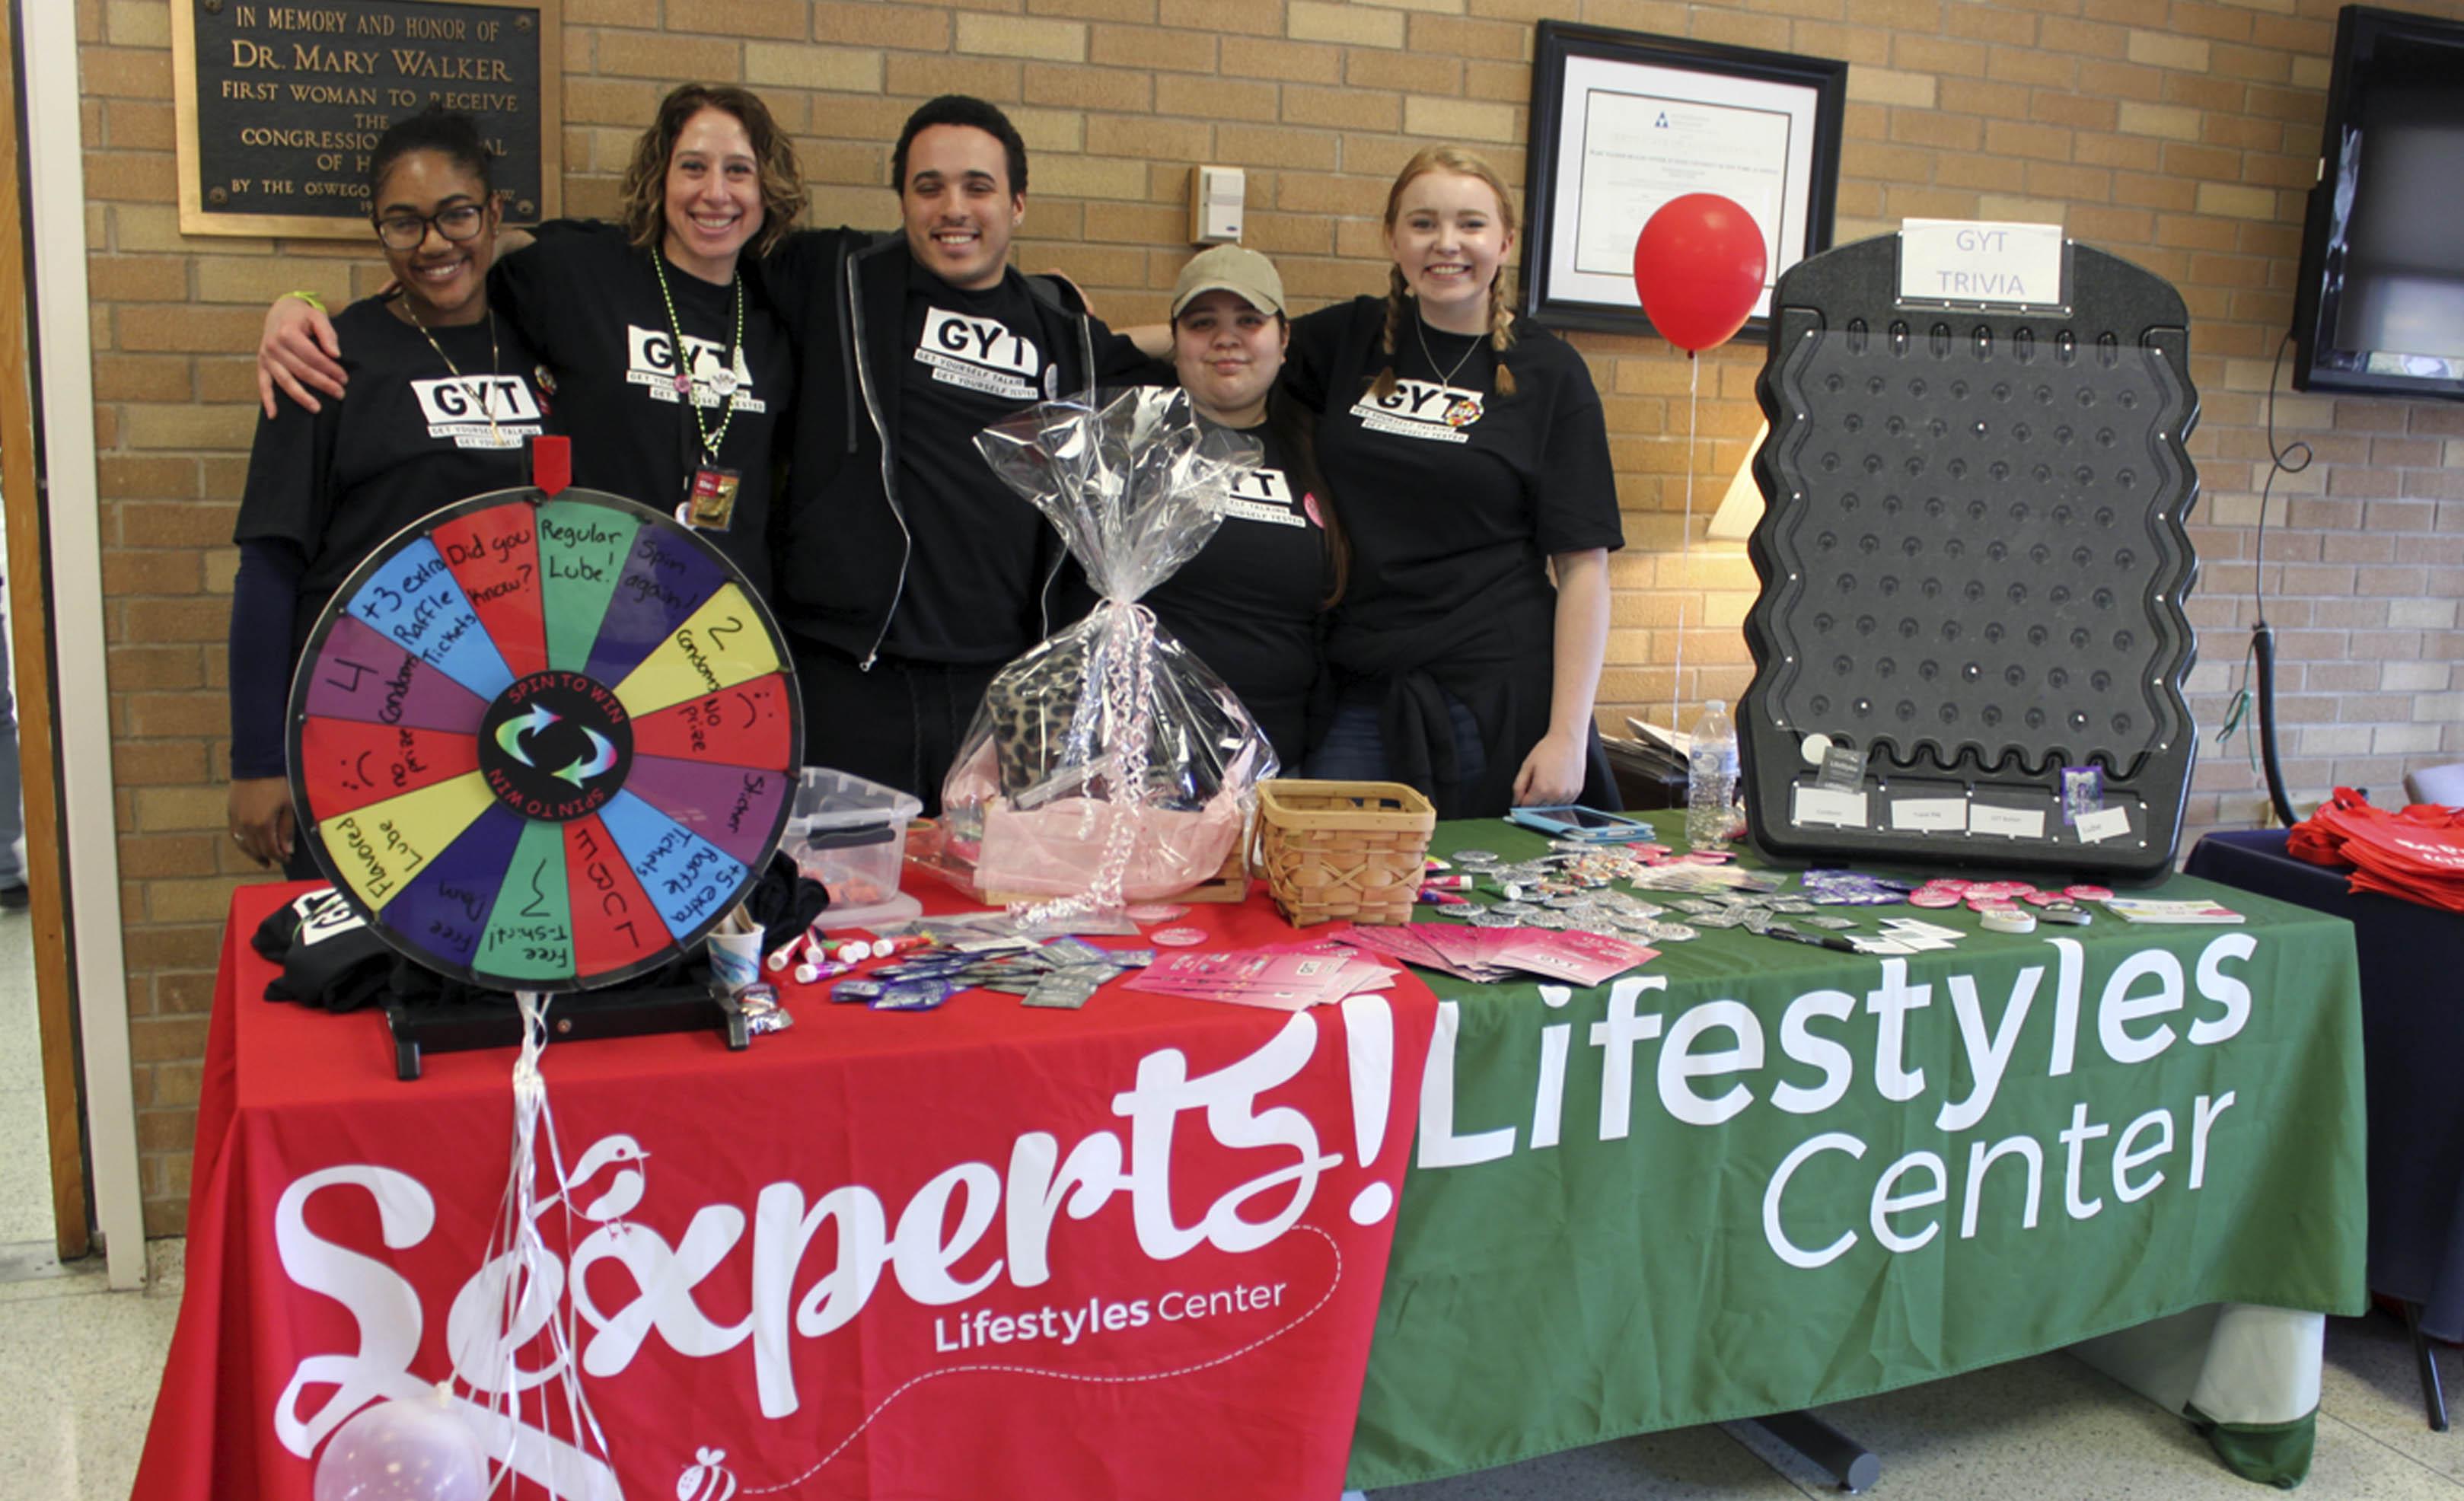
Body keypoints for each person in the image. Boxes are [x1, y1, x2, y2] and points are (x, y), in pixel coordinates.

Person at [751, 95, 1161, 811]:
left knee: (987, 906)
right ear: (902, 200)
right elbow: (699, 252)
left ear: (1018, 204)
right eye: (928, 186)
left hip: (998, 690)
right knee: (843, 897)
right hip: (852, 674)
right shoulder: (836, 278)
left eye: (978, 186)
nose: (953, 208)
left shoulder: (1066, 337)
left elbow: (1195, 357)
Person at [257, 84, 802, 598]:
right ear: (661, 177)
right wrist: (301, 306)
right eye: (692, 167)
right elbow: (442, 273)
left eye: (738, 171)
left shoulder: (779, 310)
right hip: (591, 614)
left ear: (764, 185)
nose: (715, 193)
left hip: (726, 621)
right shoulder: (581, 274)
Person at [228, 110, 548, 876]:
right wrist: (256, 760)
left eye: (457, 215)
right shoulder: (329, 358)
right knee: (365, 970)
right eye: (404, 224)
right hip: (366, 728)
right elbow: (270, 568)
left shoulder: (548, 340)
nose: (435, 244)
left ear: (495, 213)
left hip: (524, 727)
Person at [1280, 146, 1621, 817]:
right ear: (1391, 237)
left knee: (1494, 904)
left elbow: (1582, 566)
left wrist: (1567, 734)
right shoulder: (1345, 340)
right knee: (1335, 884)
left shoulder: (1550, 372)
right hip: (1362, 680)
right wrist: (1081, 336)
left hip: (1498, 687)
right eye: (1422, 224)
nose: (1446, 244)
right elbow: (1228, 350)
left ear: (1505, 241)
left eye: (1469, 224)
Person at [1140, 246, 1340, 773]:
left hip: (1278, 765)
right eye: (1202, 323)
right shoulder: (1132, 446)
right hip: (1148, 763)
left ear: (1283, 339)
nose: (1225, 339)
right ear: (1175, 341)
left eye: (1248, 321)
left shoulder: (1318, 450)